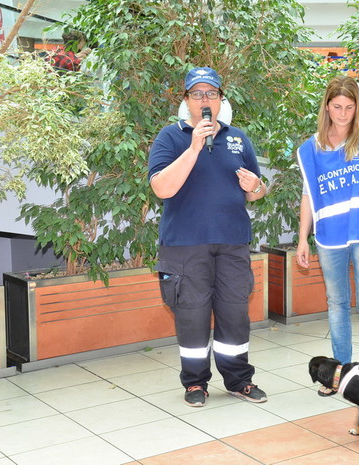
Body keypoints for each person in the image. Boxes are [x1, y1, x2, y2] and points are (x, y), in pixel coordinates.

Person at [148, 67, 267, 407]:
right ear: (186, 101)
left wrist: (255, 187)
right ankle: (195, 384)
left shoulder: (237, 137)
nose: (204, 100)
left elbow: (257, 189)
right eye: (197, 94)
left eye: (211, 94)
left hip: (232, 243)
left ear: (220, 100)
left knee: (234, 314)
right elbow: (161, 187)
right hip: (185, 245)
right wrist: (195, 147)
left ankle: (239, 380)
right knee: (192, 316)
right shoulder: (170, 137)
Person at [296, 75, 359, 396]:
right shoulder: (311, 149)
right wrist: (301, 239)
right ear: (326, 106)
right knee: (337, 303)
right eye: (337, 106)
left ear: (358, 108)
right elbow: (309, 194)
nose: (342, 113)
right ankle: (338, 372)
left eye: (349, 107)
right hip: (328, 237)